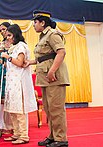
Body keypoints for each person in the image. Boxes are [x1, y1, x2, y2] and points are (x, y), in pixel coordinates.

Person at [24, 10, 70, 147]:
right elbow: (44, 57)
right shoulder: (43, 37)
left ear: (43, 22)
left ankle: (61, 139)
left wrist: (52, 71)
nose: (33, 25)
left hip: (54, 77)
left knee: (56, 109)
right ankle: (53, 136)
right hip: (46, 78)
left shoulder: (53, 34)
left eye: (35, 22)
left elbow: (61, 52)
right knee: (49, 110)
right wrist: (31, 62)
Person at [0, 24, 37, 145]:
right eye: (7, 35)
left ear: (16, 35)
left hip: (19, 82)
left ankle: (24, 135)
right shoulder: (13, 47)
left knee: (20, 110)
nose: (8, 38)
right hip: (11, 82)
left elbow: (20, 63)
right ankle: (16, 133)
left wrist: (8, 58)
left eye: (10, 35)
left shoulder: (21, 46)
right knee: (12, 110)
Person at [0, 22, 13, 139]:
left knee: (8, 100)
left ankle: (10, 126)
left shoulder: (15, 44)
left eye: (4, 29)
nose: (2, 32)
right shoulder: (1, 44)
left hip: (9, 73)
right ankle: (0, 125)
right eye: (0, 30)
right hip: (0, 71)